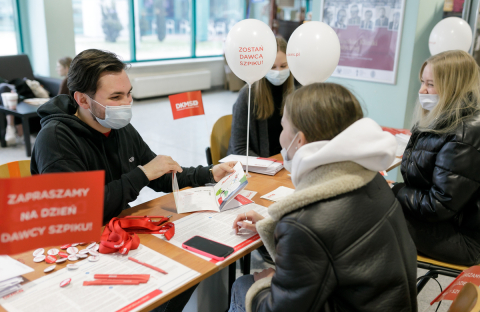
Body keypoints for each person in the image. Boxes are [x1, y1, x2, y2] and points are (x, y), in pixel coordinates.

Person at [31, 49, 236, 312]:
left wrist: (208, 173)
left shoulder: (118, 126)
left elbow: (159, 173)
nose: (127, 103)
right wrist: (141, 174)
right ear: (82, 99)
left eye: (128, 93)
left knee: (192, 270)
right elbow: (80, 212)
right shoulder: (56, 139)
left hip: (114, 235)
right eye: (116, 97)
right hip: (71, 248)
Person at [228, 83, 417, 312]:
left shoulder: (304, 223)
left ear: (300, 140)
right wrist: (276, 227)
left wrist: (264, 286)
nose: (280, 137)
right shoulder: (371, 178)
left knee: (242, 286)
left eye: (282, 127)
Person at [393, 50, 480, 266]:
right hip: (443, 223)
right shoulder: (436, 121)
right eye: (423, 82)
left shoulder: (465, 133)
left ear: (453, 86)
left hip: (464, 239)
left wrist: (395, 190)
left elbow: (438, 204)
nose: (422, 90)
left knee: (375, 215)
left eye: (430, 84)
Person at [227, 36, 295, 157]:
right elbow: (239, 148)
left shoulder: (294, 94)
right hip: (255, 164)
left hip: (282, 162)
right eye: (273, 67)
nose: (278, 71)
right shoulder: (247, 95)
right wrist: (269, 165)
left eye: (284, 66)